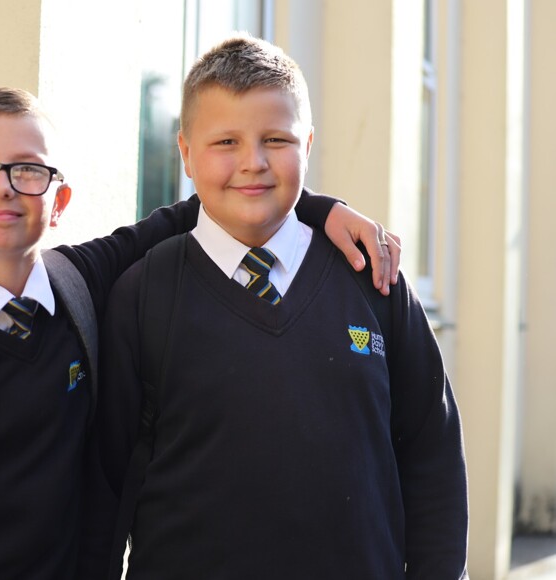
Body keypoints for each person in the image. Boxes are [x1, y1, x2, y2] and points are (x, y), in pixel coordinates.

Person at [0, 87, 400, 579]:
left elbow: (213, 202)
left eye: (28, 170)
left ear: (60, 201)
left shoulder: (78, 289)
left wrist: (318, 207)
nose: (1, 185)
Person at [96, 36, 468, 579]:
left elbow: (431, 452)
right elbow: (105, 487)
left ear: (308, 144)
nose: (253, 163)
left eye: (276, 139)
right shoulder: (143, 294)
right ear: (185, 152)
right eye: (226, 141)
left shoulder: (374, 279)